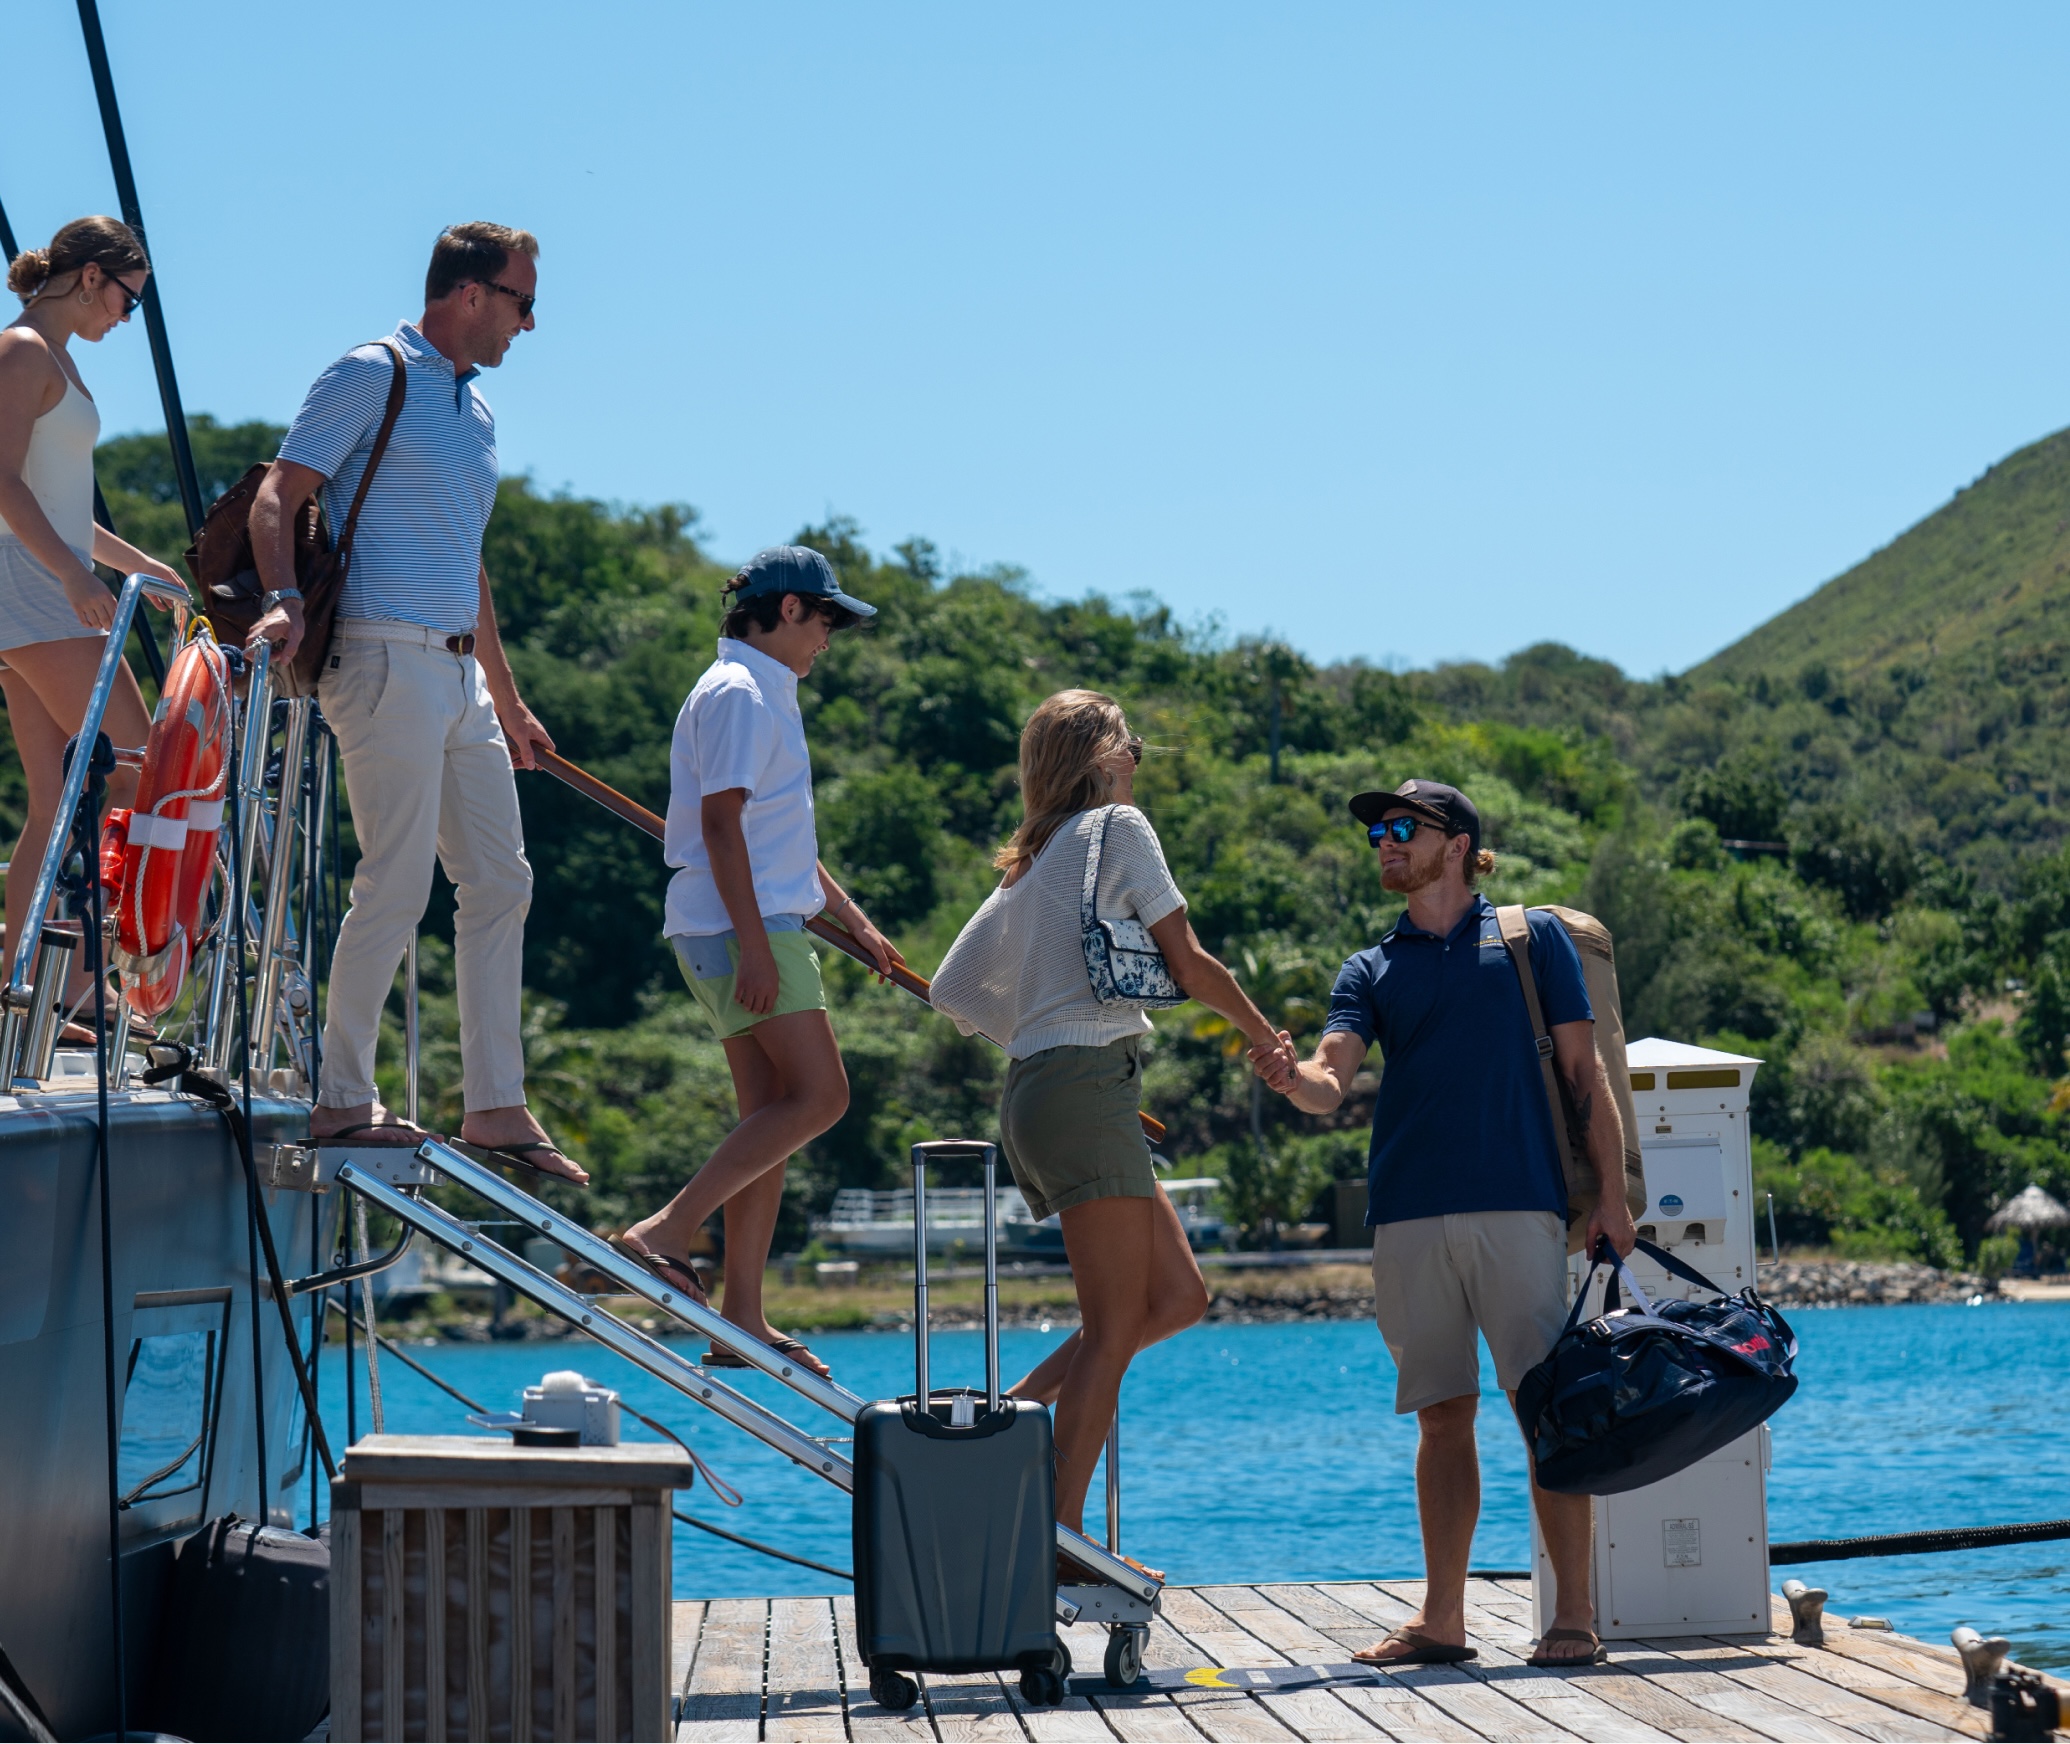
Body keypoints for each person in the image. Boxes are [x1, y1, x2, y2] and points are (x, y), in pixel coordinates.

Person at [1259, 778, 1634, 1668]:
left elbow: (1588, 1079)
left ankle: (1573, 1619)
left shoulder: (1532, 940)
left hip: (1519, 1204)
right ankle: (1442, 1623)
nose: (1383, 842)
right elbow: (1328, 1080)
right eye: (1377, 832)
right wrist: (1288, 1076)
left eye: (1402, 827)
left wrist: (1614, 1199)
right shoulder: (1370, 966)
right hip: (1407, 1217)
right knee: (1441, 1417)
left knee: (1543, 1413)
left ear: (1457, 842)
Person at [246, 223, 578, 1176]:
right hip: (381, 656)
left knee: (501, 880)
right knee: (396, 881)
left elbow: (466, 565)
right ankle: (344, 1098)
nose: (528, 324)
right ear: (470, 294)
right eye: (522, 302)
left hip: (459, 673)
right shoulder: (371, 371)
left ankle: (495, 1104)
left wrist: (508, 702)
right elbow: (281, 491)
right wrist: (280, 604)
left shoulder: (476, 416)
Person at [929, 689, 1289, 1563]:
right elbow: (1190, 959)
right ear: (1099, 757)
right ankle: (1056, 1531)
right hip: (1087, 1084)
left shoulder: (1034, 858)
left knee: (1176, 1298)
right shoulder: (1117, 830)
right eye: (1128, 745)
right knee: (1116, 1323)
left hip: (1048, 1089)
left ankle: (1011, 1412)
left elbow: (952, 986)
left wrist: (1040, 1030)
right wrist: (1266, 1036)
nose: (1136, 759)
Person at [615, 546, 902, 1379]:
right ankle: (664, 1233)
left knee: (767, 1119)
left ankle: (739, 1314)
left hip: (739, 922)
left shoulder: (755, 690)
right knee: (822, 1096)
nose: (828, 641)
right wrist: (756, 943)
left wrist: (854, 920)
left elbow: (779, 836)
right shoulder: (741, 693)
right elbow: (720, 827)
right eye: (825, 622)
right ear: (786, 612)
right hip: (745, 927)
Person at [0, 217, 186, 1025]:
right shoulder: (22, 353)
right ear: (89, 278)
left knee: (54, 800)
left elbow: (57, 497)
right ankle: (78, 980)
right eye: (128, 299)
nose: (125, 315)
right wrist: (76, 575)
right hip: (31, 590)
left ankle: (17, 979)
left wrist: (130, 560)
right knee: (138, 764)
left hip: (36, 587)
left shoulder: (54, 360)